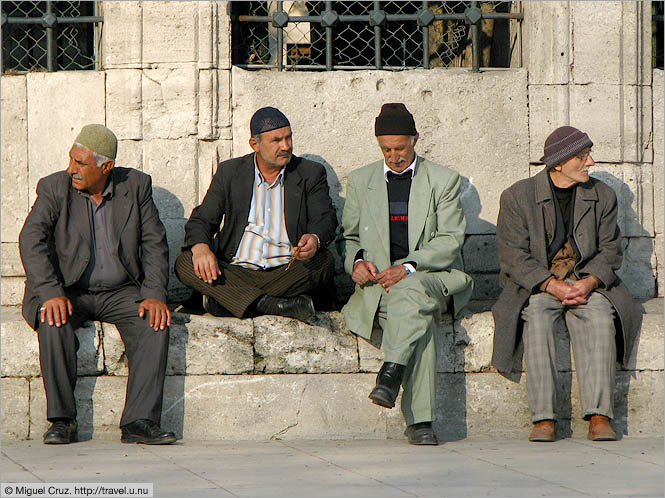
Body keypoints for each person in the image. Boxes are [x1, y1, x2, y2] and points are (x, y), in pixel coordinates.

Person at [19, 124, 176, 445]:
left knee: (155, 324)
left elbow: (154, 243)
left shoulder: (136, 186)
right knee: (52, 322)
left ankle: (139, 421)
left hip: (121, 291)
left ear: (106, 167)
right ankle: (62, 420)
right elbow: (30, 239)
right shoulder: (54, 188)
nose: (71, 169)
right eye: (71, 160)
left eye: (81, 164)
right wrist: (50, 293)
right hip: (68, 291)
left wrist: (155, 294)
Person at [492, 126, 642, 442]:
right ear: (558, 163)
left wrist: (589, 282)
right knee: (536, 318)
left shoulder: (602, 195)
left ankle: (600, 415)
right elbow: (513, 256)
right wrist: (551, 285)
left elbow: (611, 248)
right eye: (582, 156)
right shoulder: (518, 197)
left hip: (588, 282)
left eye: (588, 154)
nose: (590, 162)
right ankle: (544, 418)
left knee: (602, 317)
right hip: (538, 284)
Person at [341, 103, 473, 445]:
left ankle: (391, 374)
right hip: (381, 286)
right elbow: (350, 236)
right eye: (385, 149)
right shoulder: (360, 180)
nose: (393, 156)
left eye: (400, 148)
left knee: (413, 291)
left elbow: (450, 239)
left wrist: (409, 266)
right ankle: (420, 423)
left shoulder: (443, 180)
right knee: (419, 318)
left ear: (415, 140)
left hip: (431, 277)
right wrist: (356, 262)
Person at [175, 107, 337, 321]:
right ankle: (271, 304)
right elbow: (202, 219)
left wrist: (314, 239)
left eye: (289, 138)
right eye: (277, 140)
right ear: (255, 144)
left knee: (324, 261)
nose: (286, 146)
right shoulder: (230, 172)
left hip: (286, 270)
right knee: (186, 262)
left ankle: (230, 301)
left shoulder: (309, 173)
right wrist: (201, 248)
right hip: (235, 270)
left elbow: (325, 219)